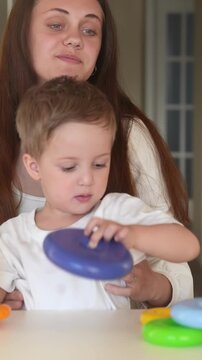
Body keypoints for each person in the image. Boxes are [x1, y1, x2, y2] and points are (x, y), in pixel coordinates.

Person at [0, 0, 194, 309]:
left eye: (90, 30)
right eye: (56, 25)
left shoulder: (116, 200)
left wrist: (150, 284)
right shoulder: (13, 235)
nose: (76, 38)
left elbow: (179, 257)